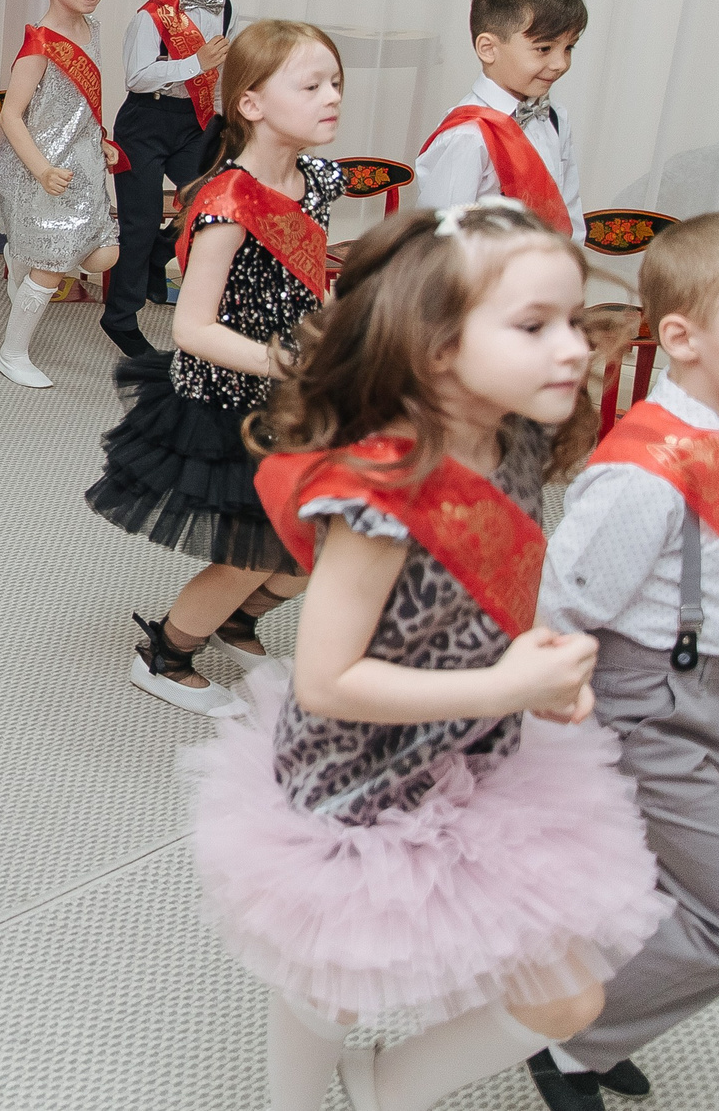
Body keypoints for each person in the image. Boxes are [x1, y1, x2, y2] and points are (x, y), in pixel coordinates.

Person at [189, 201, 668, 1111]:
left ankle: (382, 1090)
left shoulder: (519, 435)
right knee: (329, 988)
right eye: (533, 325)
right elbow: (327, 680)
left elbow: (481, 586)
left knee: (570, 998)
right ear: (438, 346)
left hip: (476, 752)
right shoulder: (381, 486)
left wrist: (533, 670)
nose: (573, 347)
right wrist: (510, 680)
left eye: (573, 320)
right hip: (359, 777)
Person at [523, 212, 719, 1111]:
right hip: (644, 701)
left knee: (652, 883)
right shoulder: (645, 472)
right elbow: (565, 604)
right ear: (681, 337)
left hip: (716, 689)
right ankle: (570, 1042)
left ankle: (595, 1023)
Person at [88, 21, 343, 715]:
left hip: (300, 394)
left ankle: (237, 621)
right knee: (256, 550)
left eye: (336, 83)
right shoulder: (228, 202)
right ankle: (167, 654)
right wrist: (280, 359)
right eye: (312, 85)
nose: (333, 98)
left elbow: (309, 276)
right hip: (235, 400)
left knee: (317, 539)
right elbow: (190, 327)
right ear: (252, 104)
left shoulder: (318, 179)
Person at [0, 0, 122, 388]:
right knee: (51, 266)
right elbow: (11, 116)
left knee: (104, 256)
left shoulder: (94, 28)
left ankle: (19, 261)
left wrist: (97, 136)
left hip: (81, 165)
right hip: (40, 169)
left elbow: (78, 102)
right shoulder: (39, 45)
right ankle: (12, 352)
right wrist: (41, 170)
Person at [103, 0, 242, 357]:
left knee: (210, 205)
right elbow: (136, 76)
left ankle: (159, 259)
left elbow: (218, 73)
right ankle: (119, 317)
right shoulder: (151, 15)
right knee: (139, 223)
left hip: (194, 121)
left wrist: (225, 122)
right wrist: (191, 63)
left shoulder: (224, 9)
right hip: (146, 120)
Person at [414, 0, 587, 242]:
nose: (561, 64)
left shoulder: (555, 117)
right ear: (488, 48)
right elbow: (440, 238)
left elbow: (569, 212)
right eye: (544, 49)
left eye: (569, 48)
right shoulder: (468, 135)